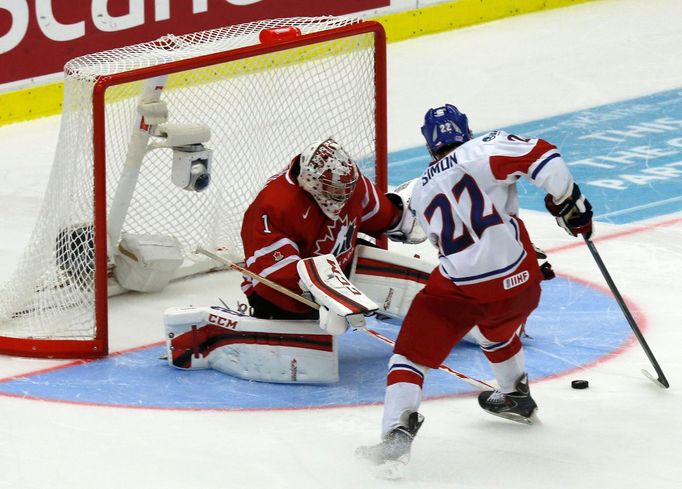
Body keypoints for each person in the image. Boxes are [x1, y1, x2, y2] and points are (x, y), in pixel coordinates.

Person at [357, 104, 593, 471]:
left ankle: (395, 434)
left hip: (465, 292)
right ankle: (515, 395)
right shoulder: (488, 147)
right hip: (523, 283)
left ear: (430, 147)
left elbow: (422, 234)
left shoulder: (420, 190)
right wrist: (568, 202)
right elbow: (546, 156)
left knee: (410, 356)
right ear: (464, 132)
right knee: (495, 328)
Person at [240, 137, 415, 321]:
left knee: (371, 258)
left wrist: (410, 216)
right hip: (287, 297)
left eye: (347, 189)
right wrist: (330, 299)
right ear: (311, 182)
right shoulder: (273, 206)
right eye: (336, 191)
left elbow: (387, 217)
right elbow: (276, 277)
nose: (345, 196)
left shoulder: (351, 184)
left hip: (337, 273)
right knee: (283, 299)